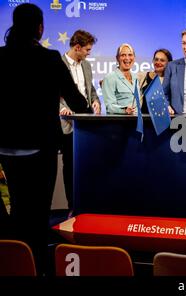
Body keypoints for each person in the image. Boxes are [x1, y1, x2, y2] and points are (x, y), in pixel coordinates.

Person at [0, 3, 88, 274]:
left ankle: (14, 262)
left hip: (6, 148)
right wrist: (85, 107)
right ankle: (36, 265)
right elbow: (76, 101)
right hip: (41, 150)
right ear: (40, 28)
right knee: (38, 214)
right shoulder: (50, 59)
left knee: (17, 206)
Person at [60, 30, 101, 215]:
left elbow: (90, 88)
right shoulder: (57, 64)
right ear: (77, 47)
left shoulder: (86, 65)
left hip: (87, 120)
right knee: (70, 166)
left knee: (88, 163)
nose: (88, 53)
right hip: (67, 122)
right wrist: (61, 108)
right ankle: (72, 207)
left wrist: (96, 101)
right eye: (87, 50)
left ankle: (88, 205)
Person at [102, 43, 140, 115]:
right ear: (117, 58)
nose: (127, 58)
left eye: (130, 55)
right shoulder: (110, 78)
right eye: (123, 55)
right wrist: (124, 110)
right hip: (119, 122)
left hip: (136, 122)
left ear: (134, 58)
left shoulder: (135, 78)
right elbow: (109, 106)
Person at [137, 48, 173, 114]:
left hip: (161, 120)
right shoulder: (142, 76)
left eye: (162, 60)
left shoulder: (172, 81)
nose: (158, 62)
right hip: (143, 119)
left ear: (169, 63)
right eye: (156, 59)